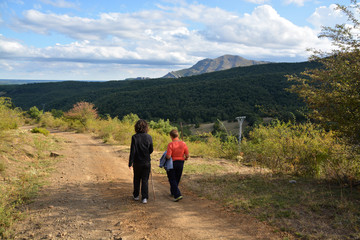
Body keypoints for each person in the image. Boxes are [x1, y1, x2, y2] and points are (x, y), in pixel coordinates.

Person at [129, 119, 153, 204]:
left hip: (137, 162)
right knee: (145, 180)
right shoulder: (149, 137)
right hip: (146, 162)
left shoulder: (134, 137)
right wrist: (146, 153)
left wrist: (130, 163)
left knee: (136, 178)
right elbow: (151, 150)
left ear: (136, 127)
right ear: (146, 127)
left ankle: (136, 195)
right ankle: (144, 198)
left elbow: (132, 151)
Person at [166, 129, 189, 202]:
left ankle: (177, 195)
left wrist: (165, 157)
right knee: (177, 178)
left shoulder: (171, 144)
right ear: (178, 135)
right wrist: (185, 158)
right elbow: (187, 155)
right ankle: (173, 192)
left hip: (172, 163)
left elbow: (169, 156)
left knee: (172, 178)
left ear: (171, 136)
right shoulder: (183, 144)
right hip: (181, 162)